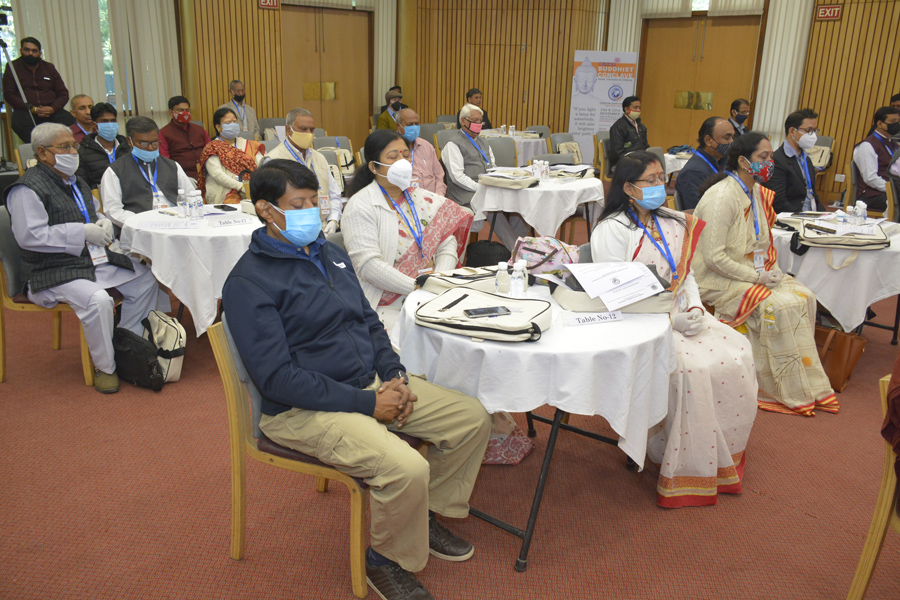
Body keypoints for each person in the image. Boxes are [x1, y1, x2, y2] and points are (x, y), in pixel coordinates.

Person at [222, 158, 491, 600]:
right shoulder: (249, 282)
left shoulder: (329, 253)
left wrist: (395, 376)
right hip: (300, 409)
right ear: (266, 210)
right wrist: (369, 404)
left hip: (368, 381)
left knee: (471, 418)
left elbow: (368, 321)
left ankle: (422, 517)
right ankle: (384, 561)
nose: (311, 212)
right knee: (406, 467)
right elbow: (276, 379)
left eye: (314, 202)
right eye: (298, 204)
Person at [590, 150, 757, 507]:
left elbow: (687, 273)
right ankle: (679, 458)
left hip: (679, 308)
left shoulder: (671, 221)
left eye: (660, 179)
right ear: (628, 188)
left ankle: (717, 452)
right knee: (692, 370)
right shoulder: (612, 229)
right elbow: (614, 294)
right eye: (649, 181)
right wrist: (669, 322)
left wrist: (695, 307)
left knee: (738, 354)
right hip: (637, 318)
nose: (659, 186)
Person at [5, 123, 160, 394]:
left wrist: (101, 221)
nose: (73, 152)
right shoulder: (27, 189)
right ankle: (105, 368)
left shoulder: (74, 180)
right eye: (64, 147)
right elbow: (30, 237)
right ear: (42, 153)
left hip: (89, 261)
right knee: (98, 300)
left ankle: (126, 344)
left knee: (147, 278)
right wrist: (81, 232)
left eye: (74, 145)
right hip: (49, 270)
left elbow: (91, 211)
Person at [693, 132, 837, 417]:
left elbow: (761, 242)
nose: (770, 162)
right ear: (743, 162)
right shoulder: (722, 197)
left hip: (748, 270)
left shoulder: (756, 191)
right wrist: (756, 278)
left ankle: (804, 381)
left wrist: (770, 271)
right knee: (777, 306)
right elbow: (713, 258)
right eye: (764, 157)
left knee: (805, 296)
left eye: (770, 156)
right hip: (713, 277)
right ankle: (770, 385)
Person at [342, 130, 472, 329]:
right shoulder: (361, 205)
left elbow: (447, 244)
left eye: (405, 155)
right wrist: (419, 287)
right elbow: (369, 266)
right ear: (374, 166)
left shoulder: (422, 198)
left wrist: (438, 281)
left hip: (432, 293)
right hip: (385, 302)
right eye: (393, 157)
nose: (402, 162)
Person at [442, 103, 527, 250]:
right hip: (465, 193)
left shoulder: (484, 142)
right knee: (492, 208)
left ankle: (513, 248)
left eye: (480, 121)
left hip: (488, 189)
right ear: (463, 121)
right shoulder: (453, 144)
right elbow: (457, 177)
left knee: (520, 205)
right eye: (474, 121)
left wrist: (499, 180)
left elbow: (492, 167)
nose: (478, 125)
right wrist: (481, 188)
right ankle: (517, 250)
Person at [100, 116, 195, 229]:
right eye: (143, 144)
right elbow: (113, 210)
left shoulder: (173, 166)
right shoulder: (115, 170)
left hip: (176, 223)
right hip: (139, 227)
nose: (150, 148)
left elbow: (191, 196)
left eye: (154, 143)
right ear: (129, 141)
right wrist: (140, 222)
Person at [264, 108, 342, 233]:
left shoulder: (320, 158)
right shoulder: (273, 160)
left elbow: (334, 194)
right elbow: (269, 204)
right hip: (290, 231)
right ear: (288, 130)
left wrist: (333, 220)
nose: (309, 134)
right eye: (303, 129)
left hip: (323, 228)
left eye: (312, 130)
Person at [2, 37, 75, 143]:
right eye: (27, 50)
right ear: (21, 51)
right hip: (27, 111)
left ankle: (61, 148)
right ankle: (38, 148)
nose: (30, 53)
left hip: (51, 110)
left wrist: (53, 108)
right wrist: (33, 109)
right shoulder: (12, 67)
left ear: (40, 53)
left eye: (34, 51)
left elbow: (63, 93)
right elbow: (9, 94)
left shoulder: (49, 67)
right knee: (18, 123)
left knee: (71, 122)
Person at [197, 107, 265, 205]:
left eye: (235, 121)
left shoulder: (249, 144)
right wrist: (241, 187)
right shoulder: (212, 148)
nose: (233, 125)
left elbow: (263, 165)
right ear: (218, 127)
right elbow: (217, 174)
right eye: (228, 122)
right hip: (225, 190)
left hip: (252, 188)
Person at [764, 108, 826, 214]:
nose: (813, 135)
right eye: (808, 131)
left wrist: (825, 215)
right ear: (792, 131)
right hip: (794, 217)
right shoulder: (777, 160)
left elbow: (812, 194)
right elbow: (778, 202)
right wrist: (803, 217)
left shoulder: (806, 159)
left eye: (815, 131)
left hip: (812, 215)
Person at [674, 117, 734, 212]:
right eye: (727, 138)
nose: (732, 141)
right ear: (708, 140)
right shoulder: (694, 172)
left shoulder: (721, 162)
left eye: (732, 137)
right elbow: (698, 211)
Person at [852, 106, 900, 212]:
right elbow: (870, 178)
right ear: (880, 124)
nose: (896, 124)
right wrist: (893, 190)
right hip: (871, 195)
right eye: (893, 121)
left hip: (889, 191)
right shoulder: (867, 145)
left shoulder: (893, 144)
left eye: (898, 121)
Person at [76, 103, 131, 189]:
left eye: (113, 121)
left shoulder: (127, 147)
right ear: (94, 125)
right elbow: (83, 184)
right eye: (104, 121)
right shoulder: (83, 151)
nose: (110, 124)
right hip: (100, 195)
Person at [159, 95, 210, 181]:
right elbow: (165, 161)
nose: (185, 113)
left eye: (187, 110)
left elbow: (210, 150)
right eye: (180, 110)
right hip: (182, 177)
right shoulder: (163, 133)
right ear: (171, 113)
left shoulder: (200, 130)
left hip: (207, 173)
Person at [397, 108, 446, 195]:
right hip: (406, 197)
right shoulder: (391, 149)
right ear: (398, 126)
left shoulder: (427, 146)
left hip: (433, 197)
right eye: (410, 124)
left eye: (417, 124)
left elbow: (439, 176)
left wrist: (439, 196)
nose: (414, 127)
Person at [609, 96, 649, 168]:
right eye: (635, 107)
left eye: (639, 108)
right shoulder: (618, 127)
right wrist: (635, 160)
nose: (638, 110)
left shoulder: (641, 127)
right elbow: (617, 153)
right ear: (627, 109)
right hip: (624, 163)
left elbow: (646, 147)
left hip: (640, 160)